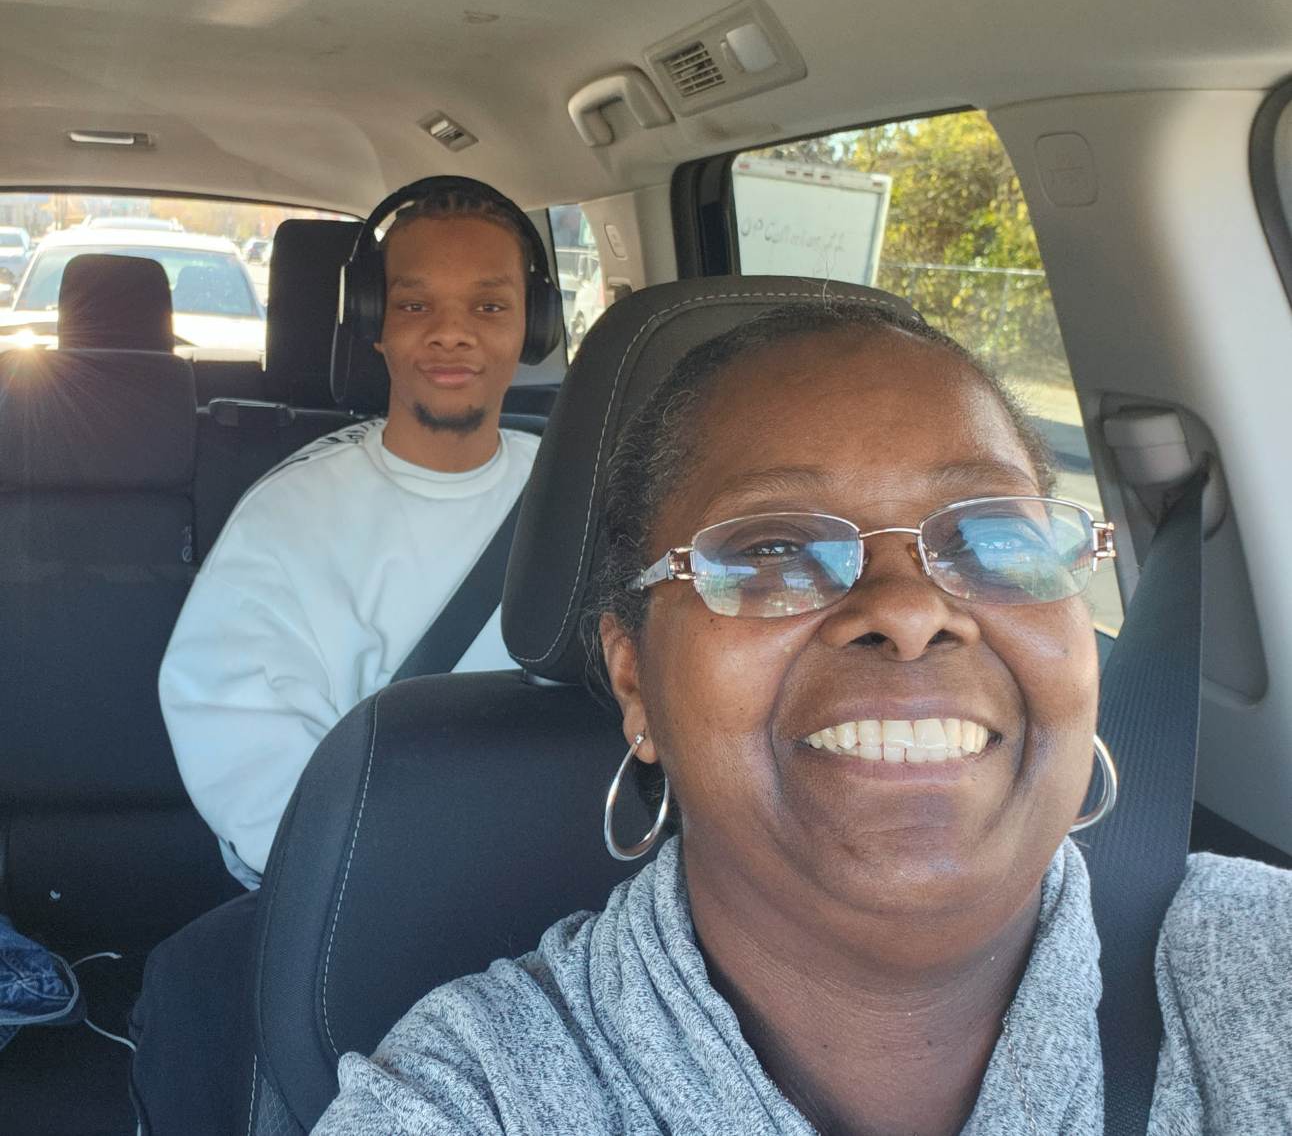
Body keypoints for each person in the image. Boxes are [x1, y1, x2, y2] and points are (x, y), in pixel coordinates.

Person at [315, 302, 1292, 1135]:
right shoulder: (477, 1096)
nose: (909, 611)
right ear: (634, 685)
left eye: (993, 536)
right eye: (773, 549)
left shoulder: (1259, 965)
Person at [160, 178, 545, 889]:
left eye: (489, 306)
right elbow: (246, 752)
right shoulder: (289, 517)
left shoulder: (580, 491)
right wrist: (397, 878)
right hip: (360, 886)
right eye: (414, 304)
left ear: (535, 325)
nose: (450, 331)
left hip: (557, 873)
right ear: (374, 320)